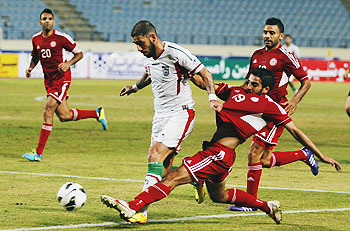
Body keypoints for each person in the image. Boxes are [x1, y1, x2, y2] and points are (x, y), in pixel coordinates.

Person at [101, 68, 341, 225]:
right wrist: (185, 67)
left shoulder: (269, 106)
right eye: (248, 81)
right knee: (221, 196)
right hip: (221, 155)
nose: (248, 86)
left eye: (254, 84)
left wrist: (321, 155)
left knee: (172, 177)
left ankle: (133, 206)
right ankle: (266, 206)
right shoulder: (237, 91)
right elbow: (205, 83)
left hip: (219, 154)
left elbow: (295, 130)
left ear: (266, 89)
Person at [118, 20, 220, 224]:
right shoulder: (149, 56)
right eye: (135, 45)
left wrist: (212, 97)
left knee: (154, 154)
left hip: (181, 114)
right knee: (164, 172)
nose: (139, 49)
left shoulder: (175, 52)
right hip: (160, 117)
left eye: (141, 43)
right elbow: (149, 73)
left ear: (152, 37)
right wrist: (135, 88)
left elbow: (205, 73)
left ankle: (140, 210)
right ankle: (196, 177)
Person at [227, 18, 315, 211]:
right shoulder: (256, 55)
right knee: (264, 160)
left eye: (272, 33)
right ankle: (302, 154)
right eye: (265, 32)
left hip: (275, 111)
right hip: (257, 110)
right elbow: (248, 84)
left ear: (281, 36)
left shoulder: (285, 56)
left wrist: (294, 101)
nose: (267, 36)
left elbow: (306, 81)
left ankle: (250, 202)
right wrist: (233, 96)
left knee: (253, 153)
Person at [23, 8, 107, 162]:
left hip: (61, 79)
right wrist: (30, 68)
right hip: (48, 81)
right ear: (40, 22)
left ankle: (38, 153)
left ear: (53, 21)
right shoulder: (36, 39)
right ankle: (97, 113)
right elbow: (36, 55)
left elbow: (79, 53)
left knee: (48, 109)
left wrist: (68, 63)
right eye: (44, 18)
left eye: (49, 18)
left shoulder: (61, 37)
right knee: (64, 116)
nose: (47, 21)